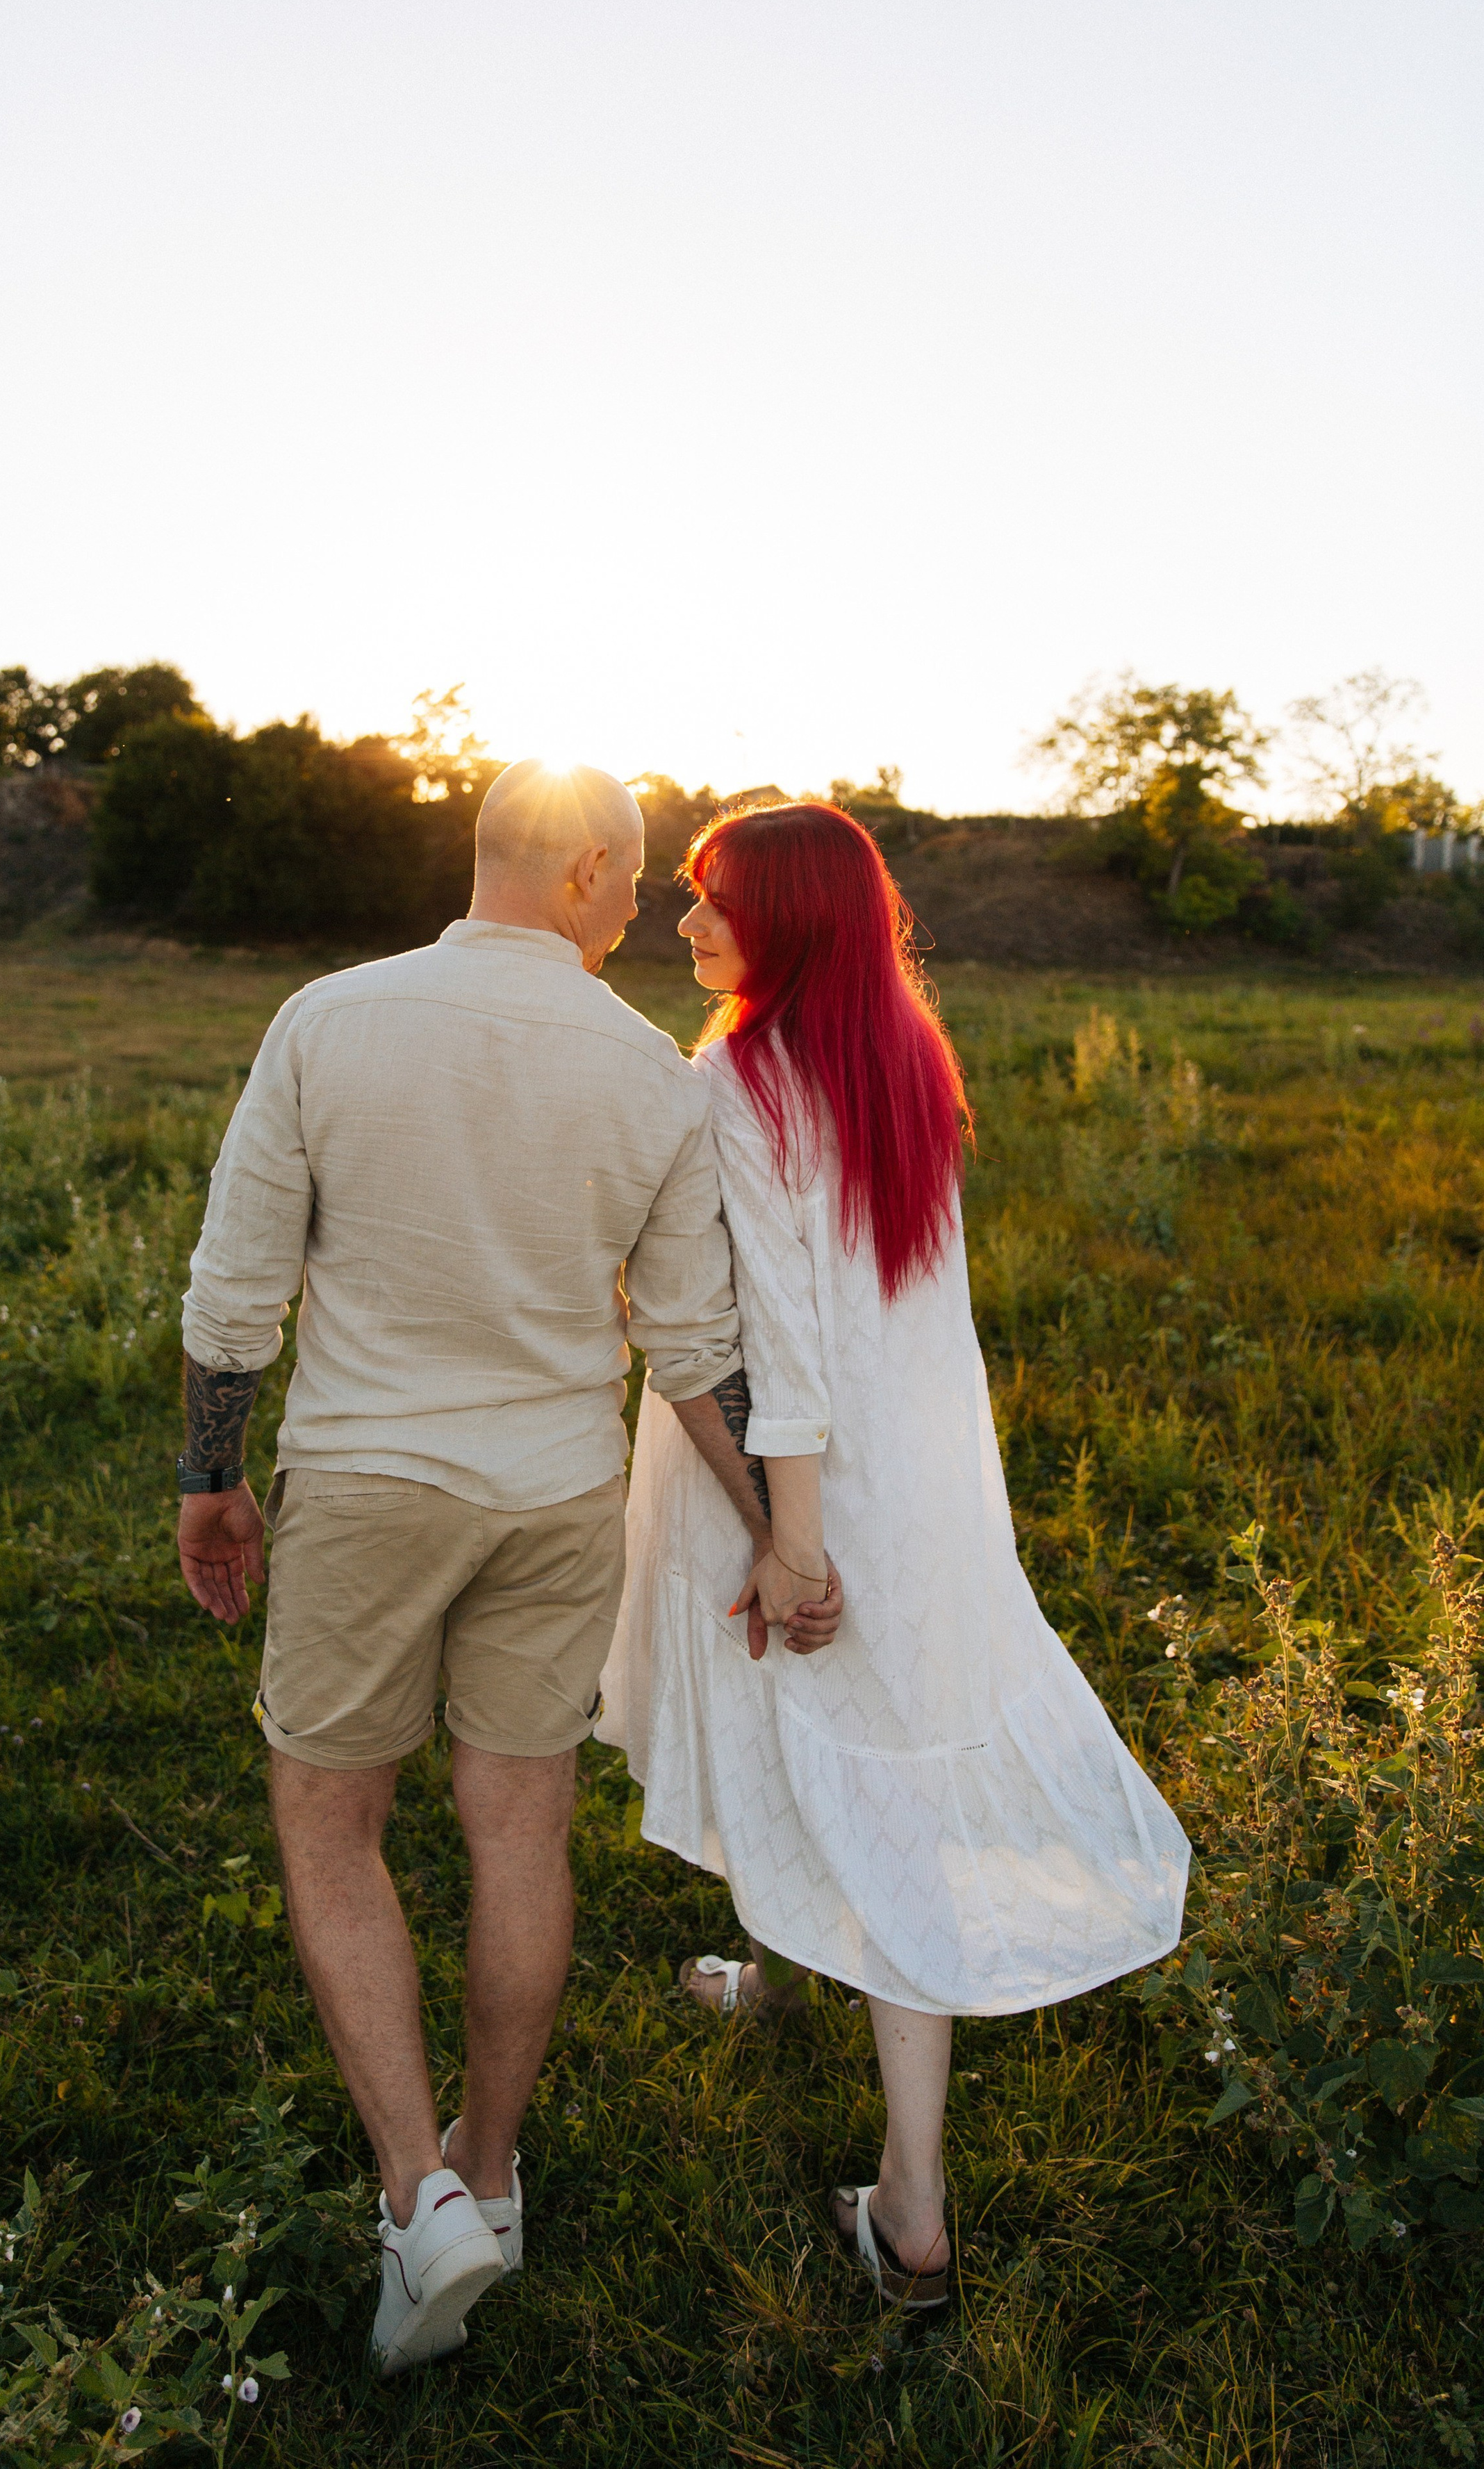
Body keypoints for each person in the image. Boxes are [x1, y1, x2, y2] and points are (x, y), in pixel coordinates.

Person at [173, 759, 839, 2377]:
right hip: (550, 1498)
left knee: (333, 1816)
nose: (637, 913)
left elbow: (237, 1282)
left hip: (364, 1482)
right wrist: (779, 1532)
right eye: (630, 885)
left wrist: (208, 1475)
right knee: (518, 1823)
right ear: (583, 872)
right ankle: (490, 2165)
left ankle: (420, 2201)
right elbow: (691, 1345)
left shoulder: (328, 1019)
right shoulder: (647, 1075)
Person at [597, 801, 1190, 2311]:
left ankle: (912, 2207)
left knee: (873, 1792)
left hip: (806, 1475)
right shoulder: (897, 1053)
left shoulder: (735, 1076)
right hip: (920, 1469)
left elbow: (781, 1335)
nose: (685, 925)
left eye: (715, 904)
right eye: (685, 898)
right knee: (843, 1746)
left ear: (793, 923)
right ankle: (783, 1959)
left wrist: (786, 1535)